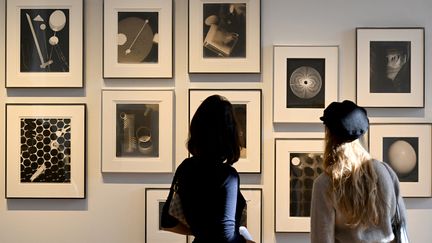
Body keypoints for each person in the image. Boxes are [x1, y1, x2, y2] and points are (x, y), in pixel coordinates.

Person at [310, 100, 408, 243]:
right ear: (362, 134)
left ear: (330, 136)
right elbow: (401, 224)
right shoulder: (386, 171)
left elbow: (322, 238)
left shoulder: (325, 183)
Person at [161, 95, 255, 243]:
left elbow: (167, 221)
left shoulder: (185, 167)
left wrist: (203, 234)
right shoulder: (228, 176)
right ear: (228, 134)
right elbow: (226, 236)